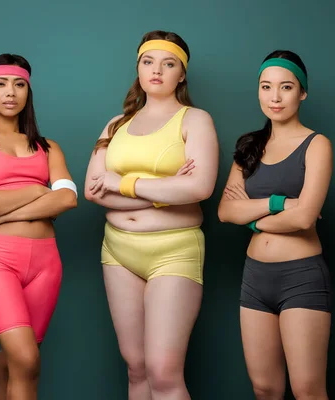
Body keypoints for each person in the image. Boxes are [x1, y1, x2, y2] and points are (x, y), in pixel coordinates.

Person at [84, 30, 218, 400]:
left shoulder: (195, 120)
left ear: (182, 74)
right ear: (139, 69)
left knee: (163, 371)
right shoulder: (116, 125)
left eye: (168, 63)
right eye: (148, 61)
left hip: (173, 251)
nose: (157, 70)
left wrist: (121, 184)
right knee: (136, 367)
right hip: (118, 252)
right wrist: (165, 191)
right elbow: (93, 189)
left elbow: (199, 189)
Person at [0, 53, 77, 400]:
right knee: (25, 358)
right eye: (1, 84)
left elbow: (68, 198)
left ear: (28, 92)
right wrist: (40, 190)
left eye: (19, 84)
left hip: (46, 265)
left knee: (16, 363)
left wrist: (5, 213)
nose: (11, 92)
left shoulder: (48, 147)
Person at [218, 50, 333, 400]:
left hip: (302, 277)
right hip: (254, 278)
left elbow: (303, 218)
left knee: (307, 390)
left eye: (286, 87)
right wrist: (278, 203)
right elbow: (225, 211)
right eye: (266, 87)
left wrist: (250, 216)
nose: (275, 96)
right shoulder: (249, 146)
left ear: (302, 92)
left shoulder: (317, 145)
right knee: (264, 388)